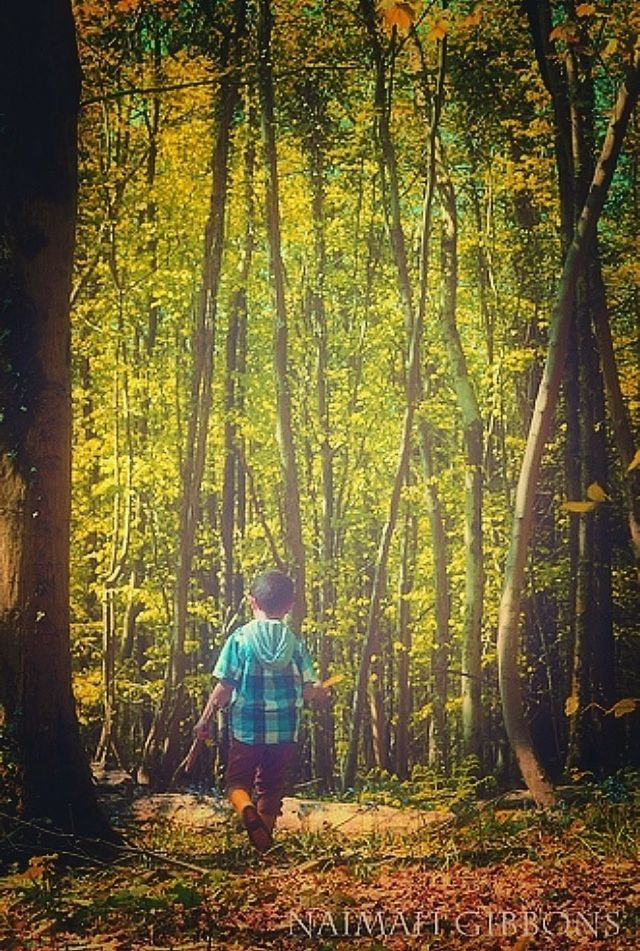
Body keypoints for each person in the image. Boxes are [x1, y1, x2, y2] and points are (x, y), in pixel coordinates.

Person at [194, 569, 328, 852]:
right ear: (290, 605)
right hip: (284, 732)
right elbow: (307, 689)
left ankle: (245, 809)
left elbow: (224, 686)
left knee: (236, 783)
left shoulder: (240, 639)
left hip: (247, 730)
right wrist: (318, 690)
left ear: (251, 601)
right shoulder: (295, 644)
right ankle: (263, 849)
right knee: (270, 787)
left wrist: (204, 719)